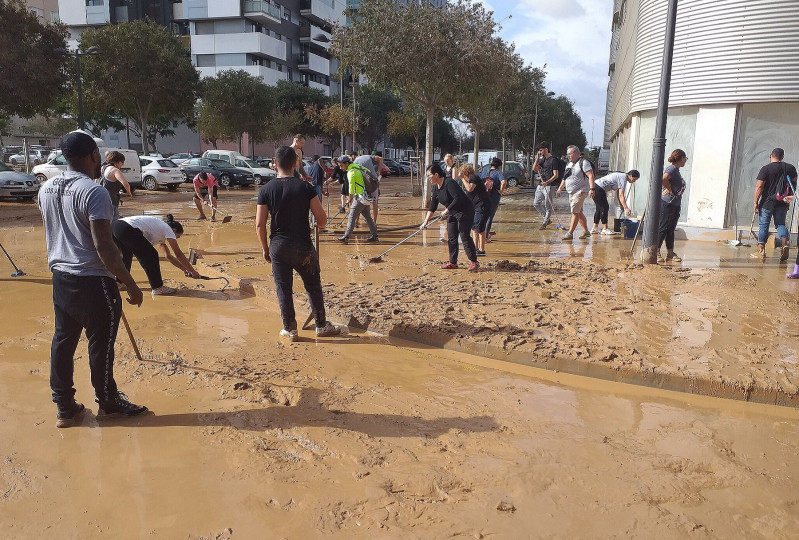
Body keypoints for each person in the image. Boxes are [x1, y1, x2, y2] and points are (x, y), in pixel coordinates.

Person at [37, 130, 147, 427]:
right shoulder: (94, 192)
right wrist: (131, 283)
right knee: (101, 344)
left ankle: (64, 405)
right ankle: (108, 400)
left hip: (61, 277)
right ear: (92, 156)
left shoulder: (45, 188)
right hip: (93, 280)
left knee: (63, 339)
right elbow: (105, 247)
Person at [255, 145, 342, 341]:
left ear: (275, 164)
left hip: (278, 246)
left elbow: (260, 225)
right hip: (303, 246)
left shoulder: (266, 190)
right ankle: (321, 325)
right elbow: (322, 218)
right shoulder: (306, 187)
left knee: (283, 288)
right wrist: (316, 226)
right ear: (296, 163)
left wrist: (265, 249)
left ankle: (290, 329)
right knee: (313, 286)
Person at [111, 214, 200, 296]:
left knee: (127, 256)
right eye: (178, 236)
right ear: (174, 230)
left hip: (116, 227)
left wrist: (185, 269)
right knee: (151, 255)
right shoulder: (167, 229)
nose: (177, 238)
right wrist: (192, 271)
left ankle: (119, 283)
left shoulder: (158, 231)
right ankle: (157, 287)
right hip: (126, 227)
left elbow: (168, 255)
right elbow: (178, 254)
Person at [420, 163, 479, 272]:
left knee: (464, 235)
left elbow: (457, 199)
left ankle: (474, 261)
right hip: (452, 212)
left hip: (465, 210)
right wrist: (425, 222)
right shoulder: (435, 189)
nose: (428, 178)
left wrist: (446, 211)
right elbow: (432, 207)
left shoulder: (449, 182)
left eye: (429, 175)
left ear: (436, 175)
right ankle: (453, 262)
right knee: (452, 237)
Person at [752, 148, 797, 261]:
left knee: (764, 225)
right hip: (782, 202)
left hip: (767, 202)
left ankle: (762, 251)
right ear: (782, 157)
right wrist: (789, 197)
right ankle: (784, 244)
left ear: (770, 155)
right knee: (780, 224)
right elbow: (793, 185)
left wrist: (755, 202)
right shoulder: (790, 168)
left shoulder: (766, 169)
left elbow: (759, 187)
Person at [337, 154, 380, 245]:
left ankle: (346, 237)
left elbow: (351, 187)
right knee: (368, 217)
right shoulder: (358, 167)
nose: (340, 168)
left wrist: (349, 198)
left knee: (352, 217)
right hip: (366, 197)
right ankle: (375, 236)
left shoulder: (351, 172)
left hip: (359, 198)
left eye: (341, 165)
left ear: (347, 163)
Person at [557, 145, 595, 240]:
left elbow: (591, 175)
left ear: (577, 153)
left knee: (575, 212)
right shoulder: (569, 164)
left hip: (581, 191)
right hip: (571, 192)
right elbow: (565, 178)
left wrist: (592, 188)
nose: (568, 156)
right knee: (579, 212)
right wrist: (560, 188)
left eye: (570, 154)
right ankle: (586, 231)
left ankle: (570, 233)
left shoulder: (584, 163)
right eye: (567, 154)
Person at [657, 149, 689, 263]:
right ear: (681, 158)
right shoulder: (672, 169)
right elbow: (664, 179)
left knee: (670, 229)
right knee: (663, 227)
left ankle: (670, 252)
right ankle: (656, 251)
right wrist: (669, 189)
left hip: (675, 204)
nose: (685, 161)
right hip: (667, 204)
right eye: (685, 159)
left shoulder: (676, 170)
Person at [591, 170, 640, 235]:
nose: (634, 181)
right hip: (599, 188)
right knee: (604, 208)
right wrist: (626, 208)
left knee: (599, 208)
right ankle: (605, 229)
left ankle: (595, 228)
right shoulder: (623, 178)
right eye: (634, 179)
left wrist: (621, 204)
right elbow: (621, 195)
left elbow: (618, 192)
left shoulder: (621, 176)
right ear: (630, 176)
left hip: (595, 187)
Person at [459, 163, 491, 256]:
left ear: (465, 173)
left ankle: (482, 250)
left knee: (480, 228)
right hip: (476, 207)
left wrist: (461, 179)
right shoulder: (471, 180)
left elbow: (469, 189)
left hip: (482, 206)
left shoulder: (473, 178)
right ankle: (475, 248)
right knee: (474, 228)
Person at [532, 142, 559, 230]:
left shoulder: (553, 160)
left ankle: (544, 223)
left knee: (548, 205)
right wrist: (537, 158)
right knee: (536, 203)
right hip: (541, 184)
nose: (540, 152)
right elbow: (534, 168)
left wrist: (547, 182)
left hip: (549, 185)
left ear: (546, 149)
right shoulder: (542, 159)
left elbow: (556, 175)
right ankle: (546, 219)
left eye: (541, 150)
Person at [100, 150, 133, 221]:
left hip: (102, 199)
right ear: (117, 162)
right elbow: (125, 184)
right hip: (111, 201)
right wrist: (128, 192)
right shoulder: (115, 170)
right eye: (122, 162)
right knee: (114, 223)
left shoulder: (103, 168)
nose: (122, 165)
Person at [354, 151, 383, 226]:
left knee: (359, 202)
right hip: (373, 182)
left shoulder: (354, 162)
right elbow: (381, 159)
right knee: (374, 202)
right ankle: (374, 222)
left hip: (361, 183)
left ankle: (356, 222)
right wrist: (379, 171)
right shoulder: (369, 157)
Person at [482, 157, 506, 242]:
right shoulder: (499, 173)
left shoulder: (485, 171)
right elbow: (503, 182)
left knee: (482, 216)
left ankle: (480, 234)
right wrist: (500, 191)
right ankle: (485, 236)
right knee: (490, 217)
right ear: (499, 166)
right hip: (494, 197)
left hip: (483, 196)